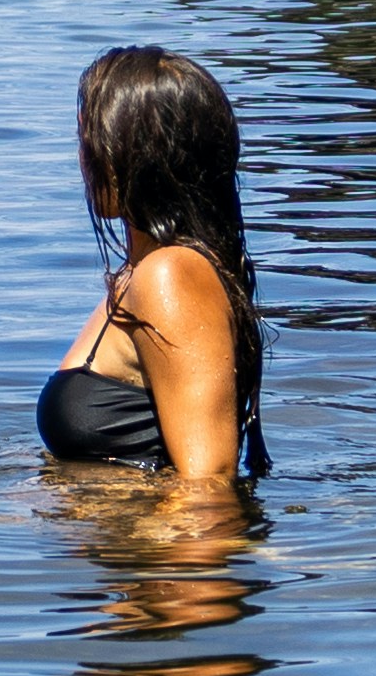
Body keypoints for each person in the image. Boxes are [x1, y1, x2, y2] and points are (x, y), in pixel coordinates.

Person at [37, 43, 268, 483]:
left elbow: (208, 484)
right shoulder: (143, 273)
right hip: (118, 542)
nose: (83, 156)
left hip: (151, 549)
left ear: (141, 157)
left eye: (94, 139)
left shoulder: (171, 276)